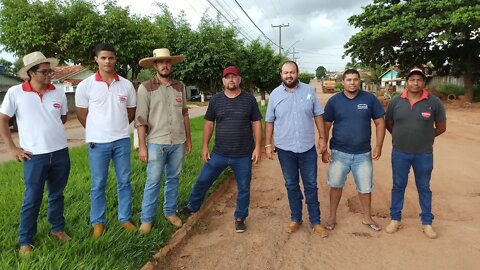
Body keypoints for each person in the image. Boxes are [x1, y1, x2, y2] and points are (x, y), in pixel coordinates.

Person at [0, 52, 71, 255]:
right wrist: (12, 148)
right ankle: (25, 240)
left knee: (57, 194)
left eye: (51, 70)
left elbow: (62, 118)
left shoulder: (57, 92)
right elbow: (3, 120)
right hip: (34, 156)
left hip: (59, 153)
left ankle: (57, 230)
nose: (50, 74)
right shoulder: (15, 92)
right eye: (44, 71)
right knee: (32, 198)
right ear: (31, 73)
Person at [181, 66, 262, 233]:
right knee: (203, 180)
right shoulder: (216, 100)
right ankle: (192, 206)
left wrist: (258, 147)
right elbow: (209, 123)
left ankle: (240, 217)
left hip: (243, 154)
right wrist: (204, 146)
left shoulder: (249, 100)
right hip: (219, 153)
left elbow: (256, 123)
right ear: (223, 81)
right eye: (227, 77)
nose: (231, 80)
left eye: (234, 77)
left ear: (239, 79)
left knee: (244, 187)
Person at [75, 44, 137, 239]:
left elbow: (131, 111)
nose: (107, 61)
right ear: (96, 60)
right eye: (103, 58)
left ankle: (124, 218)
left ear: (115, 59)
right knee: (98, 183)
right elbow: (81, 114)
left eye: (111, 58)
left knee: (124, 181)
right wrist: (98, 130)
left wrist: (117, 128)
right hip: (97, 144)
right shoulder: (86, 85)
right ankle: (98, 222)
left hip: (121, 141)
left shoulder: (126, 85)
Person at [265, 61, 328, 237]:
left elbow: (318, 115)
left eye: (292, 72)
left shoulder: (309, 91)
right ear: (281, 75)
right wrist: (268, 144)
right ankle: (296, 218)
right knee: (291, 184)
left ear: (297, 73)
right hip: (285, 149)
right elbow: (269, 121)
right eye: (285, 73)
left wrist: (323, 138)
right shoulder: (275, 95)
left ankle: (315, 221)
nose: (289, 76)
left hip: (307, 148)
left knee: (311, 185)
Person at [135, 48, 192, 233]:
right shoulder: (145, 88)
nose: (165, 65)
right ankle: (147, 219)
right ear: (155, 65)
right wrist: (142, 147)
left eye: (168, 62)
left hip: (177, 141)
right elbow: (140, 119)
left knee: (173, 179)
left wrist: (188, 139)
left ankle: (169, 211)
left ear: (171, 64)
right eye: (161, 62)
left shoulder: (180, 87)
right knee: (153, 181)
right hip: (156, 143)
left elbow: (184, 113)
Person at [385, 67, 446, 239]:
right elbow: (389, 124)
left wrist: (425, 137)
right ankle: (395, 219)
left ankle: (427, 222)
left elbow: (441, 128)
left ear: (424, 82)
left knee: (424, 187)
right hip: (400, 153)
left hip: (424, 154)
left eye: (419, 79)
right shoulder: (396, 102)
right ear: (407, 82)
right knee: (398, 186)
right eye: (412, 79)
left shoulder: (434, 102)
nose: (415, 83)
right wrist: (400, 136)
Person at [321, 69, 386, 232]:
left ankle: (367, 218)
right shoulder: (334, 101)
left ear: (359, 81)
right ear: (343, 82)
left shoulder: (370, 99)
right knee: (335, 185)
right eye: (349, 80)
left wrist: (379, 145)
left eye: (355, 79)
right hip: (339, 153)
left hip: (362, 154)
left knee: (365, 188)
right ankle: (332, 217)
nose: (352, 83)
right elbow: (326, 126)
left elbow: (380, 122)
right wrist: (324, 150)